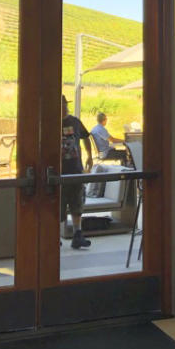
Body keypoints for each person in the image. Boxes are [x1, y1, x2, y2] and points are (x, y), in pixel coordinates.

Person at [61, 96, 94, 249]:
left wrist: (89, 155)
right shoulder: (48, 122)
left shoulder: (74, 121)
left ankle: (77, 234)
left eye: (64, 105)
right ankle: (55, 236)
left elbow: (86, 137)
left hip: (75, 169)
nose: (63, 108)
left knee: (77, 203)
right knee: (58, 205)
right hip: (58, 172)